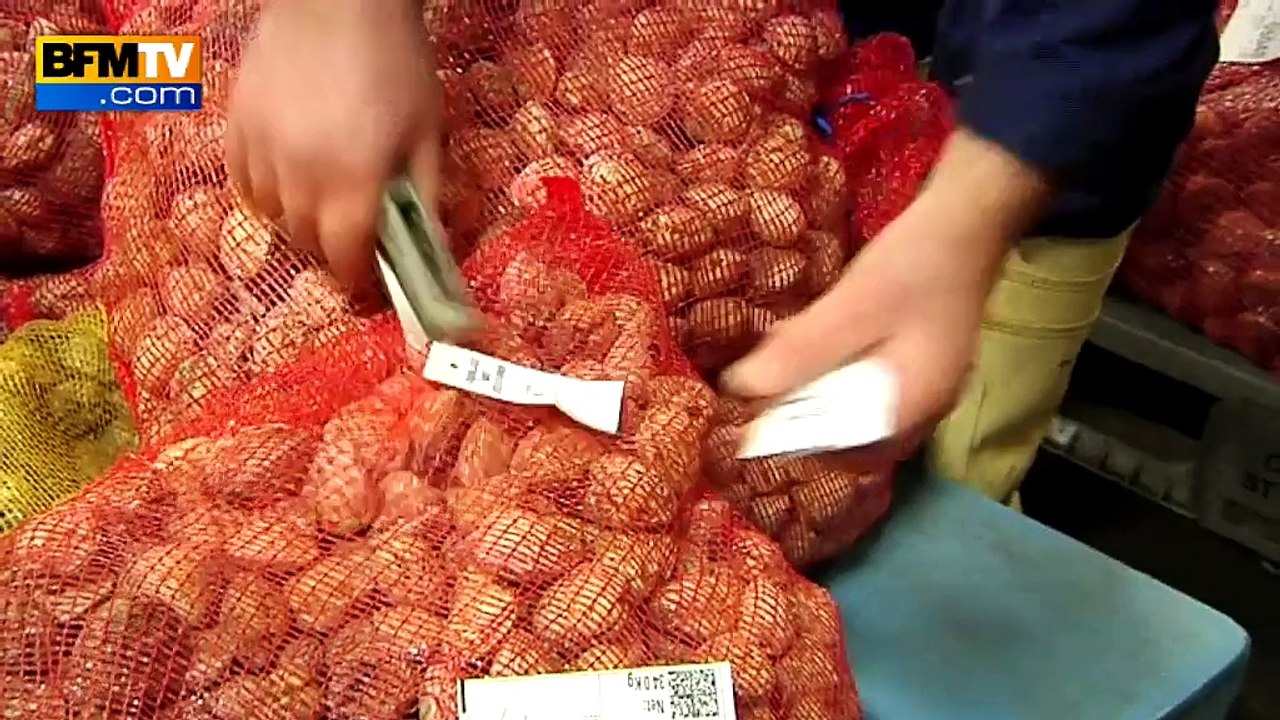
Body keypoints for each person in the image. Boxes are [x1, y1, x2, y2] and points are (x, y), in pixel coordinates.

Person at [226, 0, 1220, 504]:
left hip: (983, 131)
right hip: (548, 59)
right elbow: (87, 78)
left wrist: (971, 208)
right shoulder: (115, 69)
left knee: (920, 504)